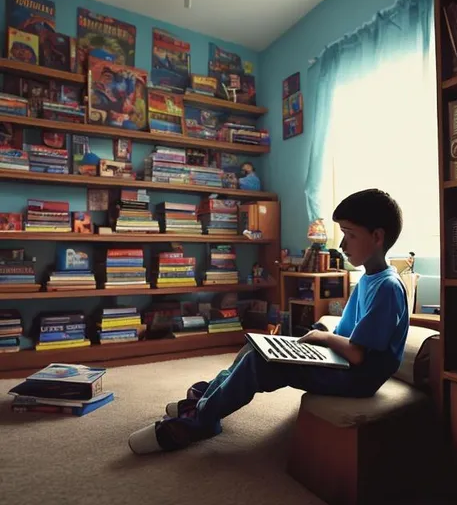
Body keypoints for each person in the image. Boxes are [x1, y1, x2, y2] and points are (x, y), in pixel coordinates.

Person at [129, 189, 410, 455]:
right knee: (256, 349)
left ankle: (200, 420)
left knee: (260, 363)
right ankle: (205, 399)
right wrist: (320, 334)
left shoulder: (387, 287)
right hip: (341, 363)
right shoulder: (367, 281)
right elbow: (345, 333)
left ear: (377, 237)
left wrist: (323, 339)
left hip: (358, 379)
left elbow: (358, 353)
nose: (342, 244)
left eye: (350, 235)